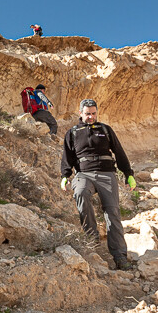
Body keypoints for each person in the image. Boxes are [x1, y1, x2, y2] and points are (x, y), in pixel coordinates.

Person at [60, 98, 138, 270]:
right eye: (87, 114)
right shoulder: (72, 132)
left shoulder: (105, 130)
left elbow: (119, 152)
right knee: (80, 193)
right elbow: (67, 157)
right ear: (80, 113)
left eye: (94, 113)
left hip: (106, 174)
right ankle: (92, 239)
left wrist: (128, 174)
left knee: (112, 213)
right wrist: (65, 176)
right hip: (83, 174)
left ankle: (120, 257)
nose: (91, 117)